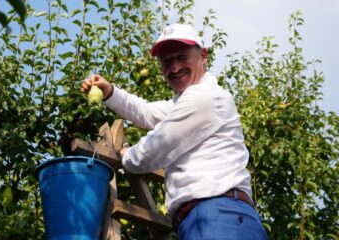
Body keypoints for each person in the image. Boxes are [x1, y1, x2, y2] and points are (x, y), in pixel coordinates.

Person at [81, 23, 268, 239]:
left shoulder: (203, 98)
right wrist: (110, 92)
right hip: (214, 217)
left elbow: (154, 149)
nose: (175, 67)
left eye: (182, 57)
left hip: (216, 216)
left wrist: (126, 155)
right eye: (167, 62)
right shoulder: (190, 100)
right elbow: (146, 112)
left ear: (203, 55)